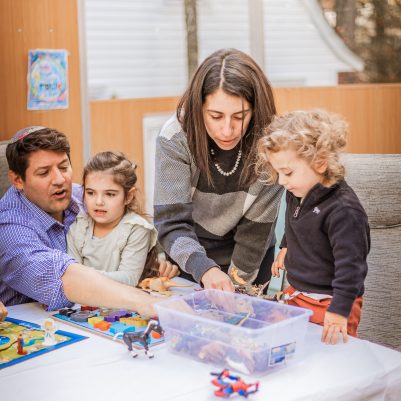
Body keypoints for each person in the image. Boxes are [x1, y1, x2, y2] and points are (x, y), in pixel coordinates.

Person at [0, 126, 177, 316]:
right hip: (32, 323)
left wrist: (148, 260)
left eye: (63, 167)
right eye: (44, 173)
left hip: (87, 313)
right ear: (17, 180)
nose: (60, 180)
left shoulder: (82, 195)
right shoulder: (9, 227)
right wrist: (146, 302)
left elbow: (125, 227)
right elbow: (62, 278)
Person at [154, 48, 283, 291]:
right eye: (215, 116)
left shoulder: (272, 141)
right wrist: (205, 269)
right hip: (189, 257)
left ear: (255, 110)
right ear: (198, 108)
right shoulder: (174, 137)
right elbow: (171, 223)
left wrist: (235, 291)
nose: (227, 130)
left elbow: (255, 234)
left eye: (239, 116)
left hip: (250, 259)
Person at [256, 109, 370, 345]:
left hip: (330, 301)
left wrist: (339, 311)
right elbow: (294, 221)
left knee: (330, 359)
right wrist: (286, 246)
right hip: (296, 294)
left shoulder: (344, 212)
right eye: (277, 172)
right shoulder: (297, 190)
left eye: (286, 172)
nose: (281, 181)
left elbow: (352, 269)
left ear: (319, 163)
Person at [67, 151, 159, 287]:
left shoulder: (136, 229)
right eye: (90, 193)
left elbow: (128, 279)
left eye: (110, 194)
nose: (98, 202)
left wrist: (83, 276)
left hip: (123, 304)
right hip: (85, 304)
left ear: (128, 196)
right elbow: (72, 278)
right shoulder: (78, 226)